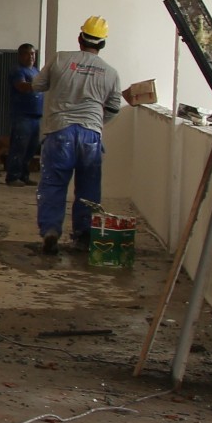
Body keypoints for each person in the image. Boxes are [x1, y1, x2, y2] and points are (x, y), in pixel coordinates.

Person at [34, 16, 124, 255]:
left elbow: (37, 85)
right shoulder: (111, 73)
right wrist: (95, 124)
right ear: (103, 43)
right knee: (88, 187)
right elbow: (114, 108)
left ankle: (51, 230)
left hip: (59, 132)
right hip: (90, 137)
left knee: (53, 184)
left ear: (80, 37)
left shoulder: (61, 58)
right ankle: (84, 235)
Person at [5, 42, 43, 186]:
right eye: (28, 53)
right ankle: (13, 176)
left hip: (35, 115)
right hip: (22, 115)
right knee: (19, 146)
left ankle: (24, 175)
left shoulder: (35, 71)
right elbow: (21, 86)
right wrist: (37, 85)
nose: (31, 56)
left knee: (31, 148)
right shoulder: (18, 71)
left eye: (33, 53)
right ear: (21, 55)